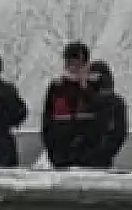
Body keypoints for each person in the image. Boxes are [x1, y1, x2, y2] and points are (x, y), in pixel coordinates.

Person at [41, 41, 97, 170]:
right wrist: (52, 151)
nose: (74, 67)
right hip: (61, 155)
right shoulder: (57, 87)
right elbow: (47, 121)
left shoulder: (94, 88)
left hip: (89, 158)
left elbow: (101, 119)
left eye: (78, 63)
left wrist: (85, 87)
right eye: (70, 63)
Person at [73, 60, 128, 169]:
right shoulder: (81, 101)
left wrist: (99, 155)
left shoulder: (114, 103)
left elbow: (117, 134)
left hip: (100, 163)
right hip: (76, 162)